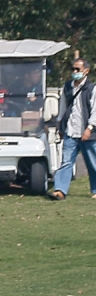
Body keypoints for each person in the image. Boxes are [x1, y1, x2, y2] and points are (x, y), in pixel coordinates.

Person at [52, 57, 96, 201]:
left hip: (87, 133)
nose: (75, 72)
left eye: (78, 69)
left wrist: (89, 128)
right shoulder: (67, 87)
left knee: (93, 163)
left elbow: (95, 111)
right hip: (71, 131)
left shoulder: (91, 88)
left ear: (86, 71)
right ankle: (60, 190)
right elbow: (63, 106)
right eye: (73, 69)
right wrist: (59, 124)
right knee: (66, 162)